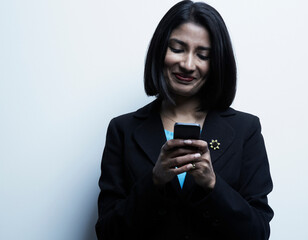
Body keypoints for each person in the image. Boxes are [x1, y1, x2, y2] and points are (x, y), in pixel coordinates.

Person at [95, 1, 273, 239]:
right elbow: (108, 233)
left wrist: (212, 184)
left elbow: (258, 233)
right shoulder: (123, 129)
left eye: (202, 55)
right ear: (161, 51)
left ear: (217, 62)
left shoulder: (245, 130)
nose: (188, 65)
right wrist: (155, 181)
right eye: (177, 49)